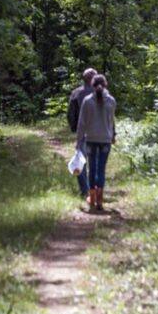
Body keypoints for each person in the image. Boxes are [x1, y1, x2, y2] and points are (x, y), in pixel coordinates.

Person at [74, 74, 115, 211]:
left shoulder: (87, 101)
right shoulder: (111, 101)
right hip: (105, 140)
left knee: (92, 168)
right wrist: (113, 135)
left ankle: (91, 199)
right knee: (101, 169)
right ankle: (100, 201)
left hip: (90, 139)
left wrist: (79, 140)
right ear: (105, 85)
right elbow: (111, 121)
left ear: (92, 85)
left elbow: (81, 123)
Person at [67, 68, 96, 199]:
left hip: (82, 132)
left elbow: (71, 114)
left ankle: (85, 190)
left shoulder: (76, 93)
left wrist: (74, 128)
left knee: (81, 161)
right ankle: (95, 190)